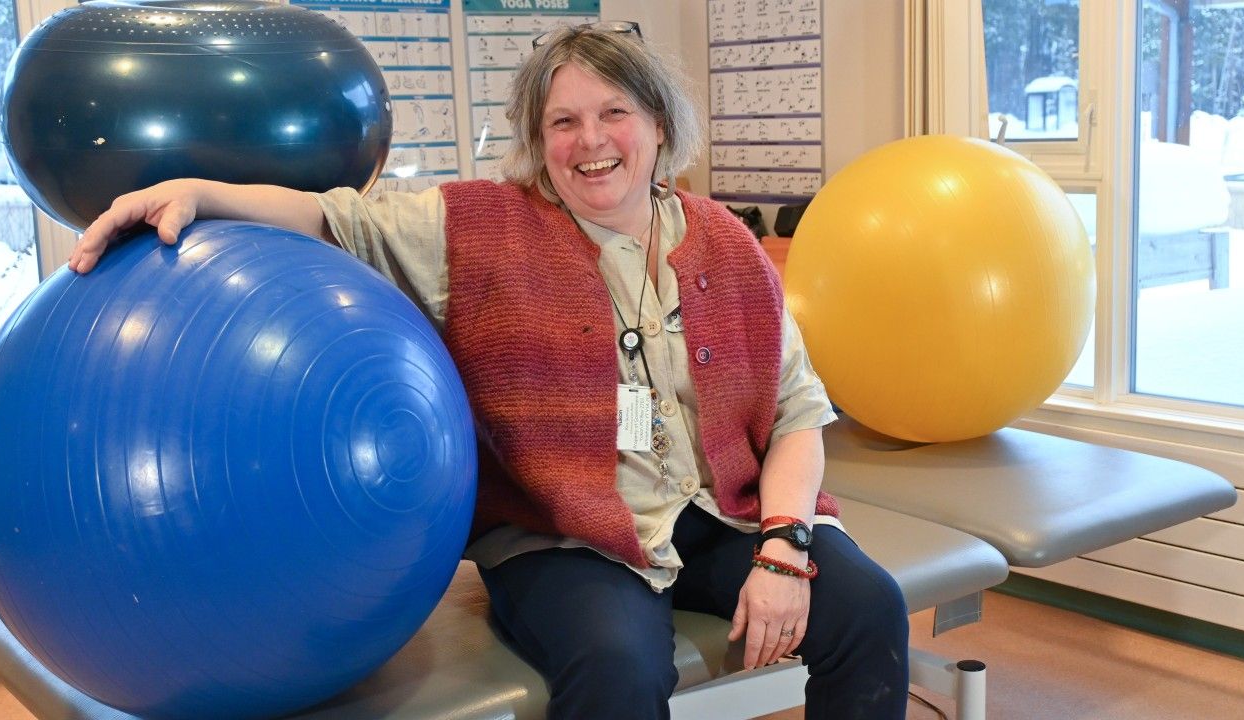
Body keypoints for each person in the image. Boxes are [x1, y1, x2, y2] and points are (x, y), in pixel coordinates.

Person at [70, 22, 909, 720]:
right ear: (537, 142)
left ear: (658, 123)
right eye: (562, 123)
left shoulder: (725, 240)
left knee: (868, 607)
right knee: (617, 666)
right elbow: (334, 219)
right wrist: (196, 189)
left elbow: (797, 415)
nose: (589, 143)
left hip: (717, 510)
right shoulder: (476, 225)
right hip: (562, 533)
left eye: (613, 112)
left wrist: (784, 548)